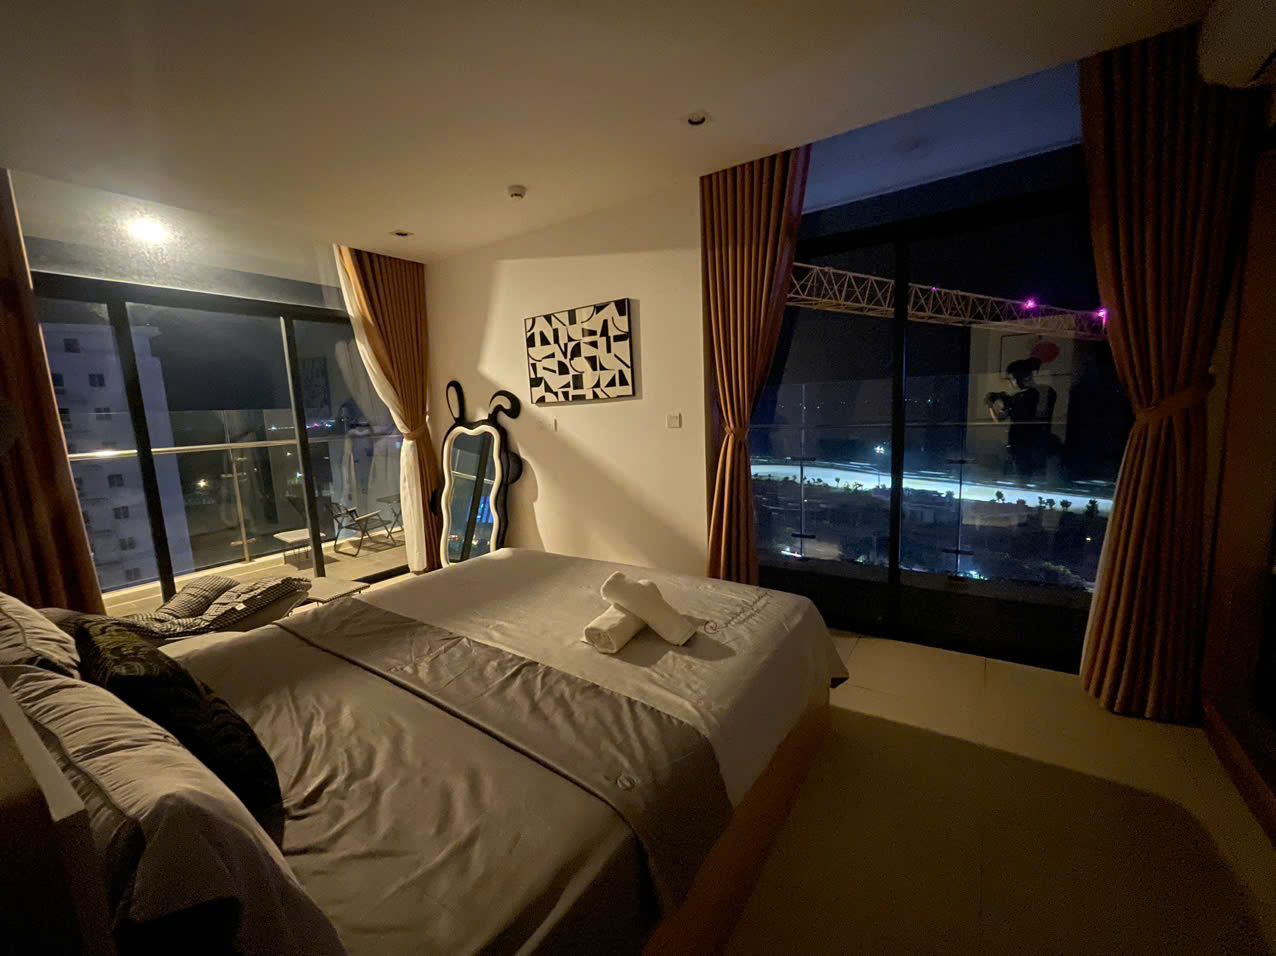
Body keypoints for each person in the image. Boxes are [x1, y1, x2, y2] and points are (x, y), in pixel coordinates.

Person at [986, 357, 1056, 479]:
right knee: (1025, 475)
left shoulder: (1035, 395)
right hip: (1022, 445)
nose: (1011, 382)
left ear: (1024, 377)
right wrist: (993, 405)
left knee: (1025, 476)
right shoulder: (1019, 397)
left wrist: (1002, 403)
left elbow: (1033, 415)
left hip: (1029, 445)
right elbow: (1000, 418)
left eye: (1012, 378)